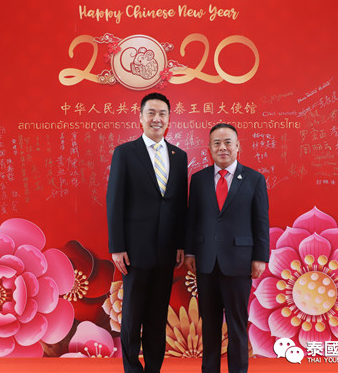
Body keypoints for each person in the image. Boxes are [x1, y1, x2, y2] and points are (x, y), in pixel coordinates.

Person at [106, 92, 188, 373]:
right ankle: (132, 368)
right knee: (132, 315)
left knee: (157, 314)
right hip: (134, 250)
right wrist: (117, 246)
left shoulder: (179, 156)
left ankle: (154, 368)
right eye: (151, 113)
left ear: (169, 119)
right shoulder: (125, 153)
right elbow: (115, 200)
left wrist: (180, 243)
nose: (157, 118)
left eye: (162, 113)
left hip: (166, 250)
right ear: (140, 118)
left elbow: (180, 204)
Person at [185, 123, 270, 373]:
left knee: (236, 325)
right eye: (217, 143)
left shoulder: (254, 179)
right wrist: (190, 251)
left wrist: (260, 257)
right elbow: (192, 219)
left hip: (239, 262)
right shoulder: (198, 180)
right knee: (209, 325)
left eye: (227, 142)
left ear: (237, 146)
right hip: (206, 262)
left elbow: (261, 221)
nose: (222, 147)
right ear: (209, 148)